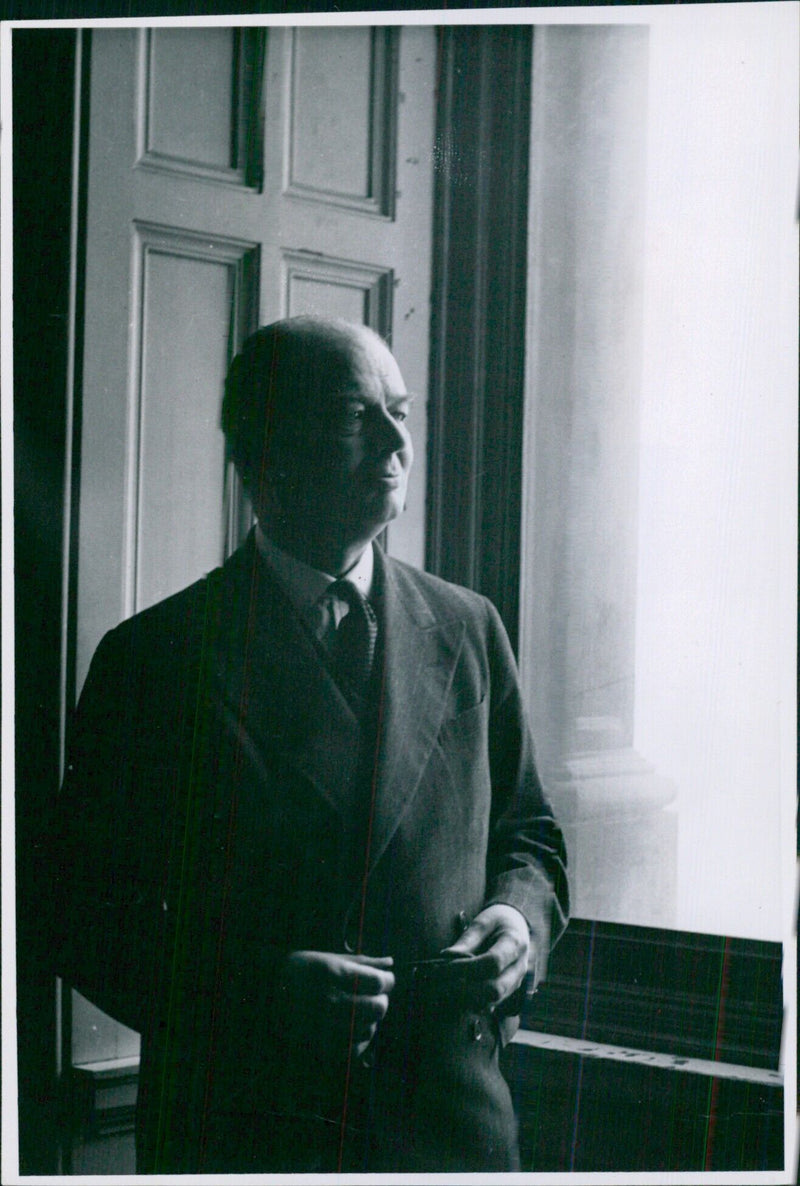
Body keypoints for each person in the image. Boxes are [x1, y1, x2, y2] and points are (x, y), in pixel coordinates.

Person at [52, 316, 568, 1173]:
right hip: (246, 1127)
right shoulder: (157, 658)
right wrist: (257, 993)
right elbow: (76, 913)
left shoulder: (468, 627)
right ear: (266, 451)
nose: (398, 440)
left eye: (399, 410)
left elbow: (530, 835)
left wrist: (517, 919)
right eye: (351, 415)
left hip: (451, 1126)